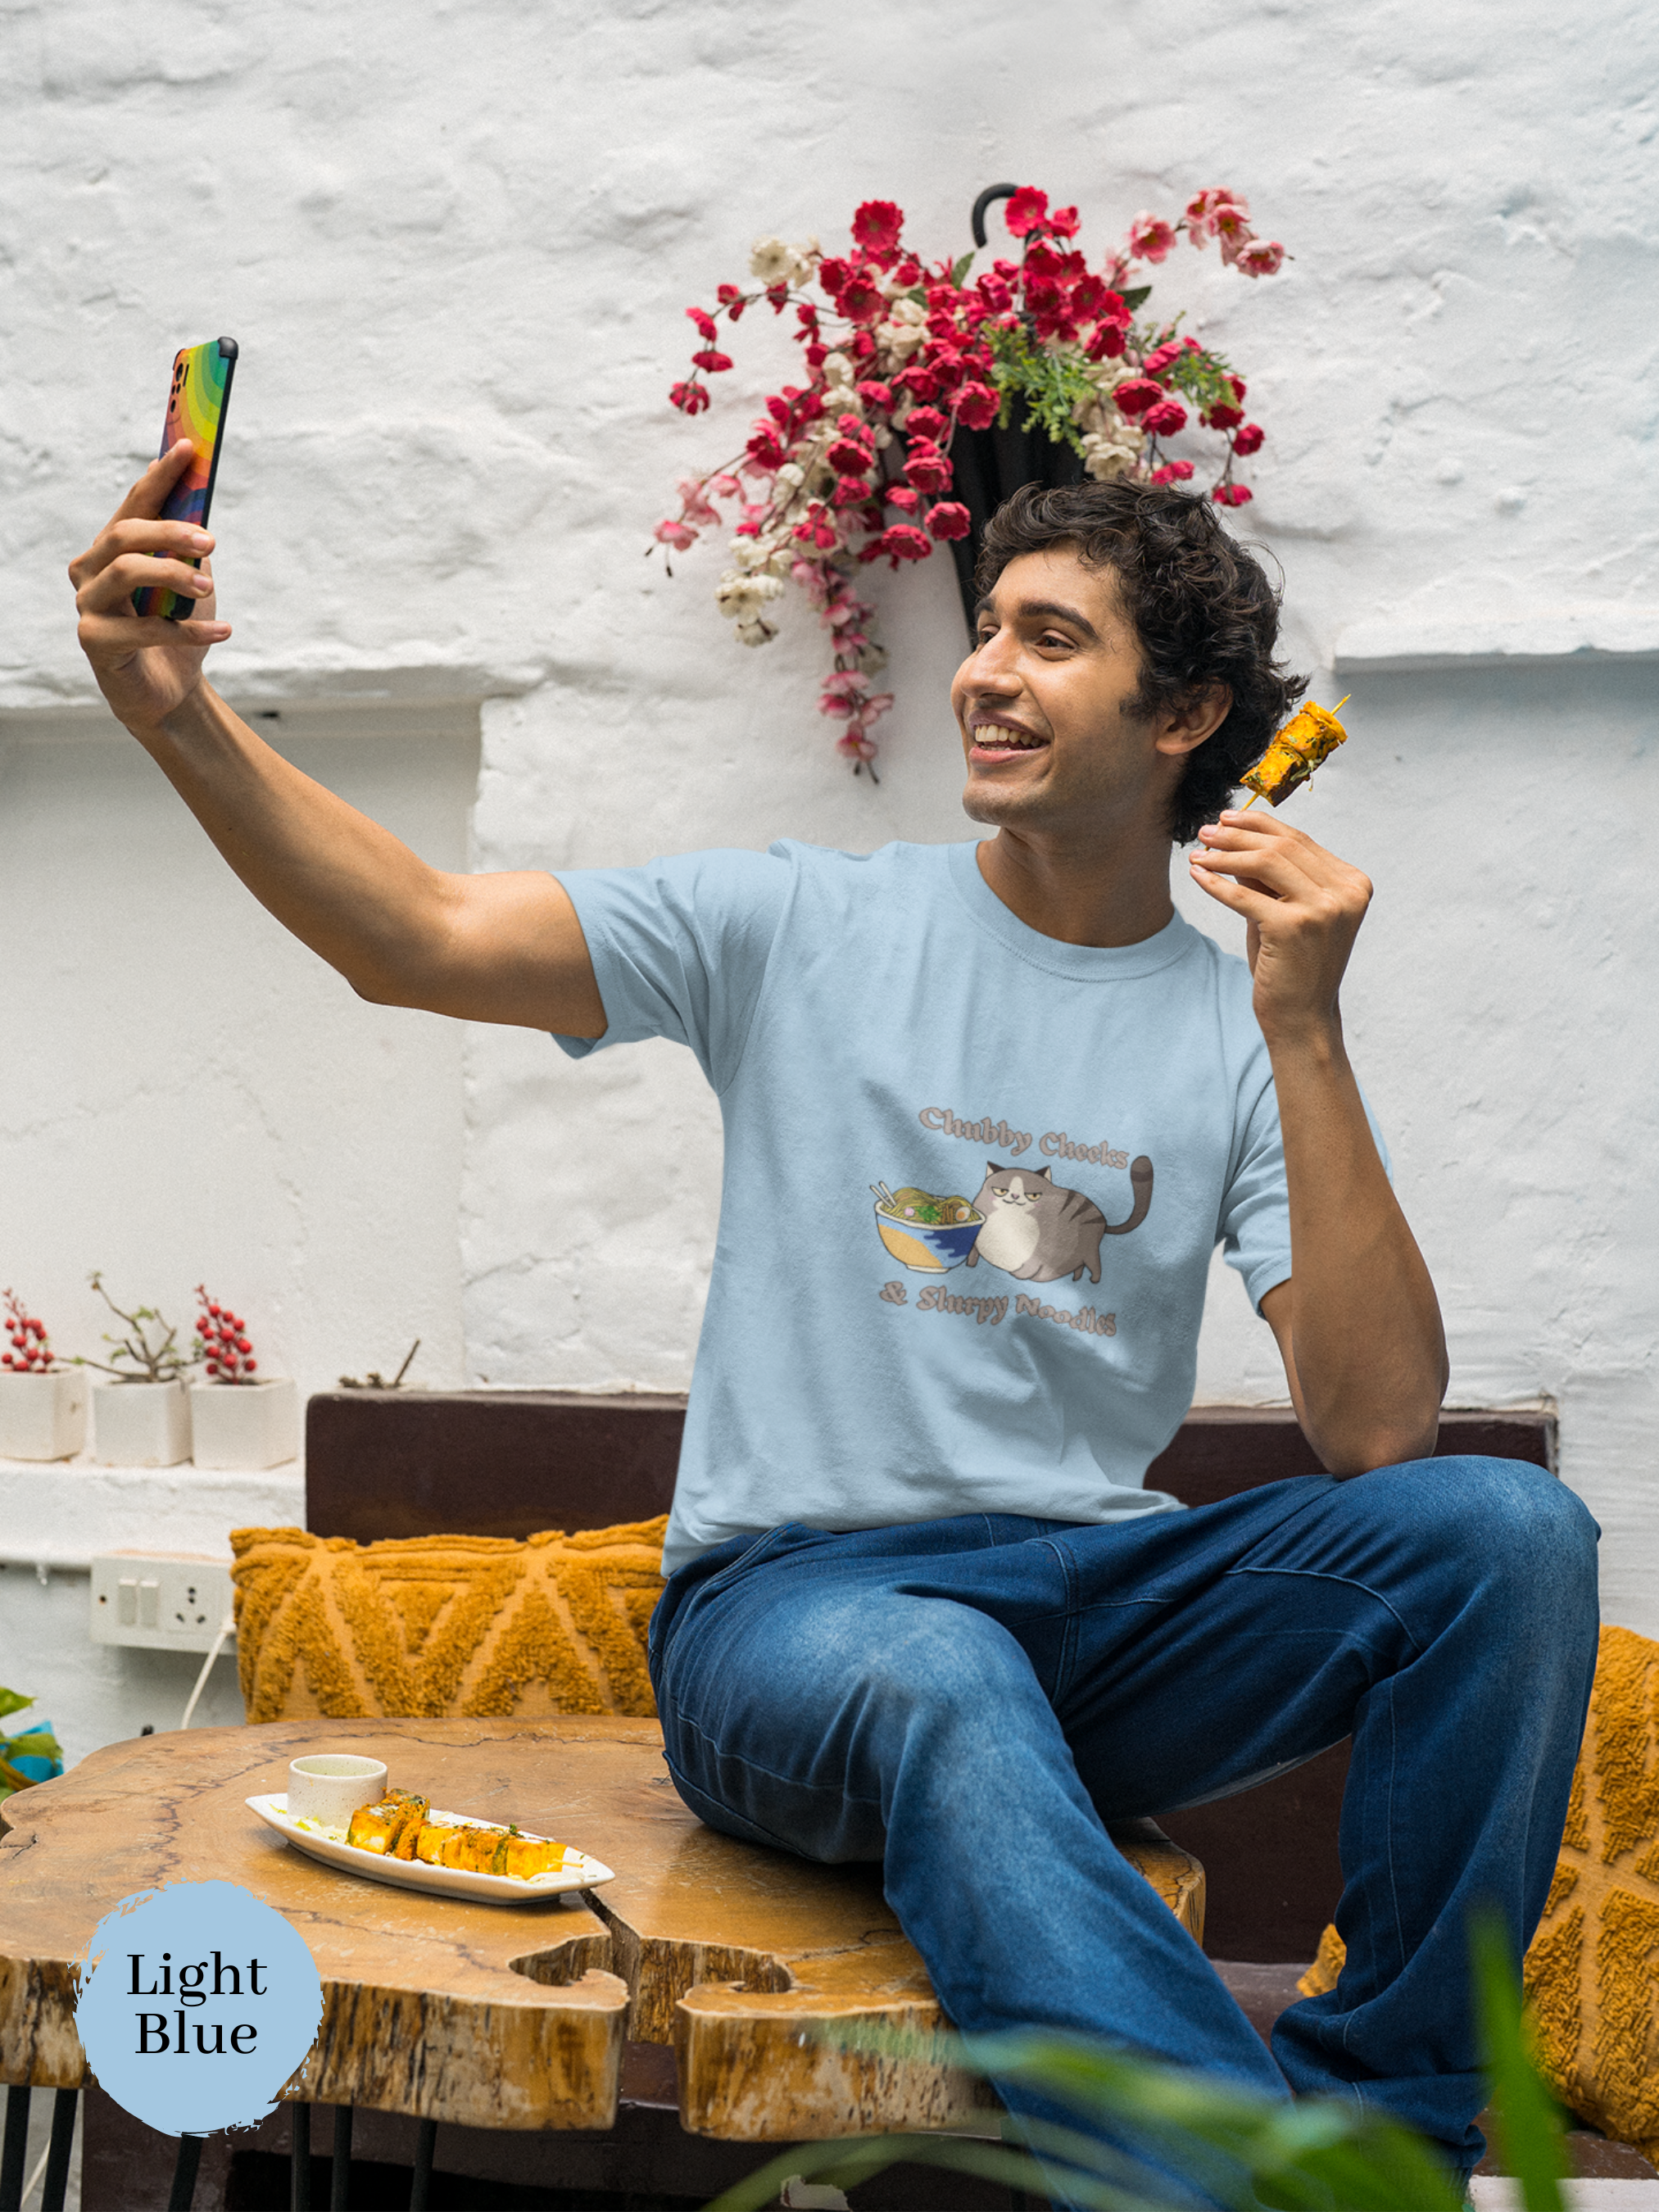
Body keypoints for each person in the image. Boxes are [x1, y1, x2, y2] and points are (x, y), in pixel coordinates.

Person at [71, 448, 1598, 2194]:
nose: (985, 673)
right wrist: (174, 715)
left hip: (1093, 1616)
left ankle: (1387, 2119)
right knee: (943, 1667)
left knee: (1505, 1530)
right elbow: (412, 935)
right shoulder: (799, 922)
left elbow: (1378, 1435)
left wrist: (1306, 1032)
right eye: (987, 630)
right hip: (793, 1620)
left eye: (1050, 638)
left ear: (1180, 716)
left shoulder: (1249, 1025)